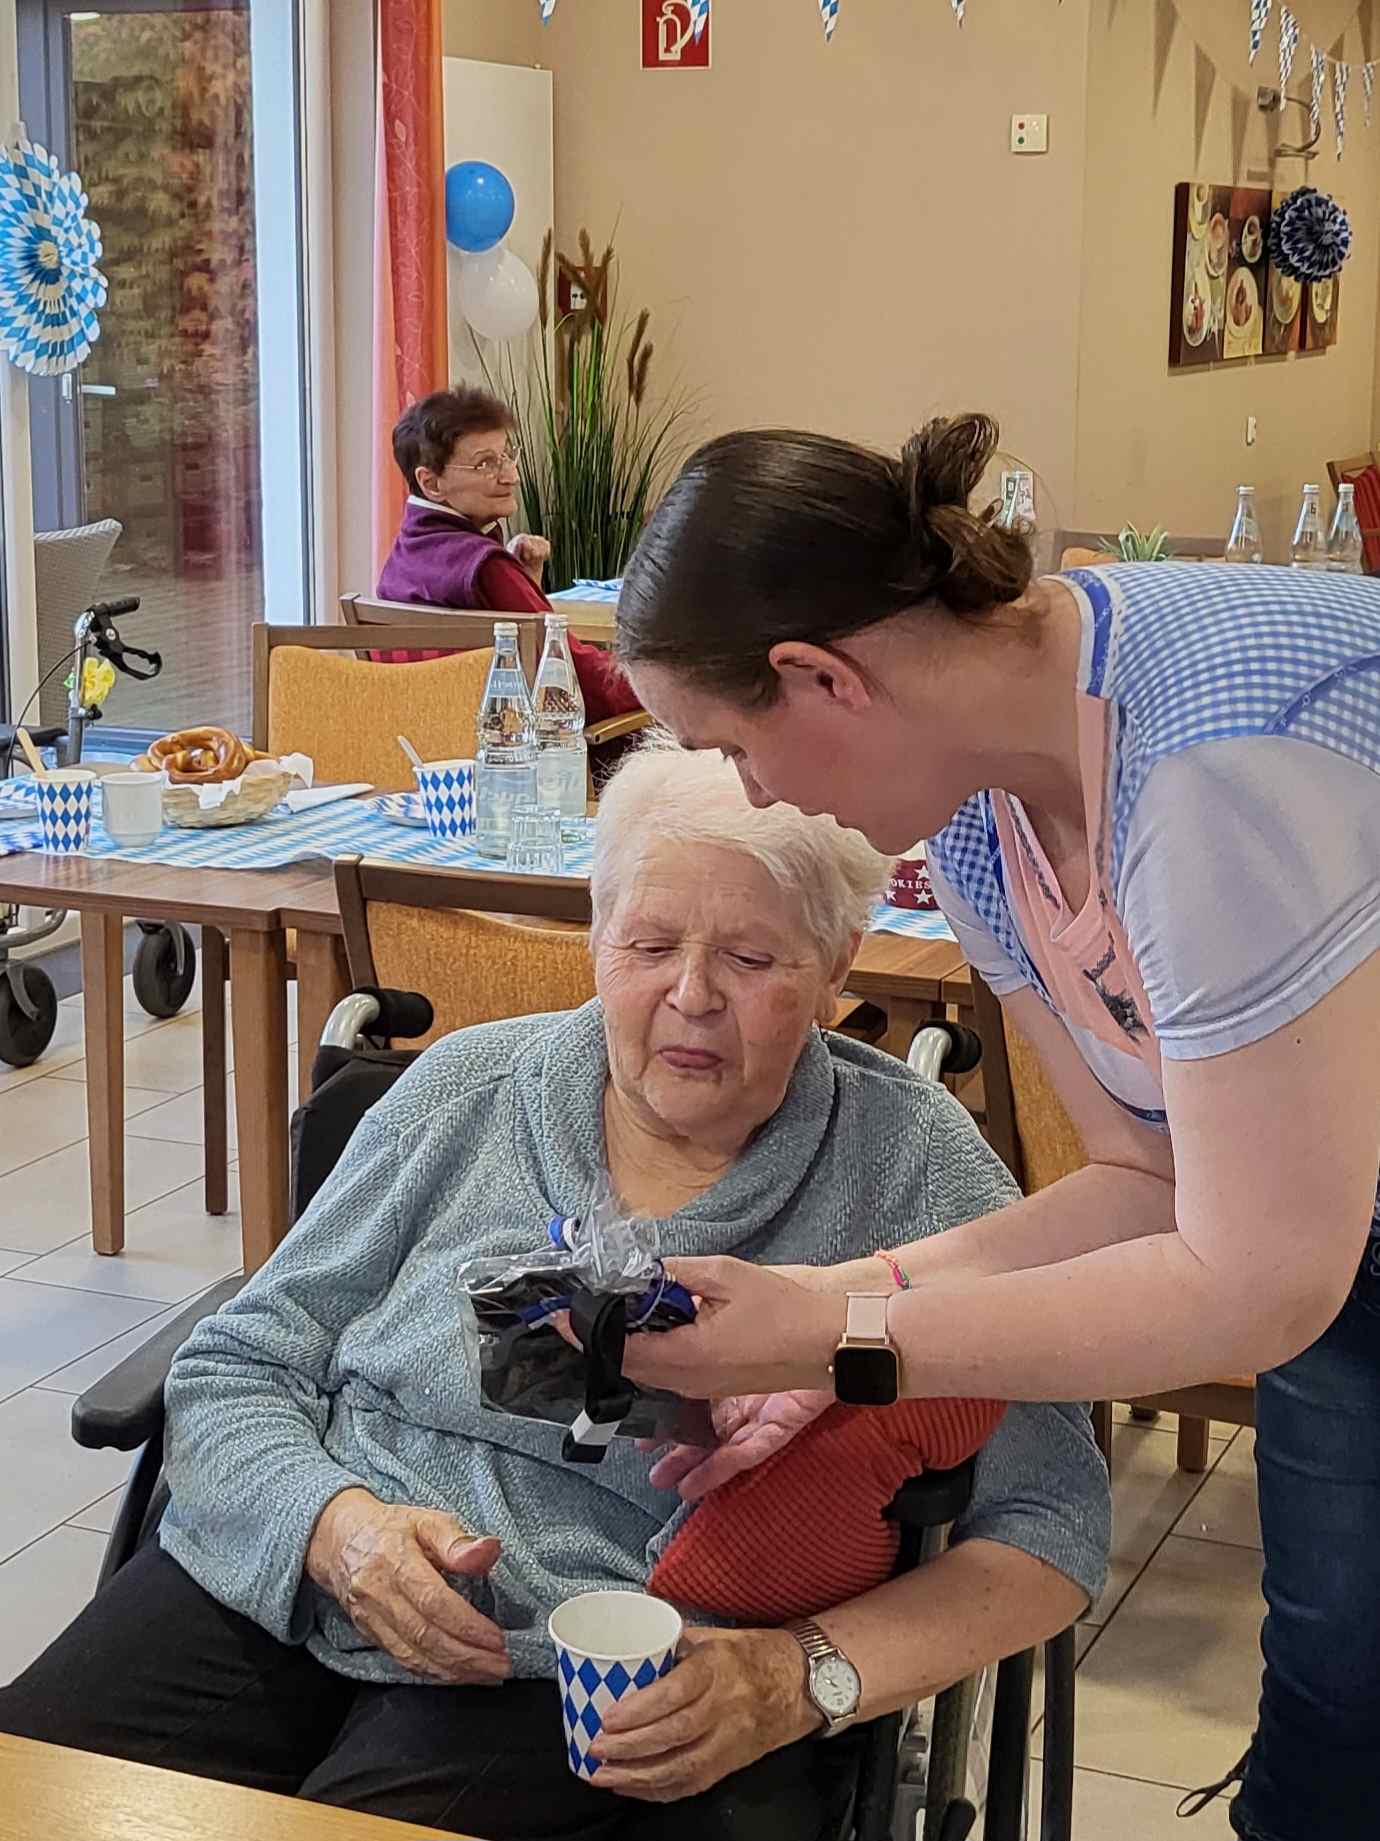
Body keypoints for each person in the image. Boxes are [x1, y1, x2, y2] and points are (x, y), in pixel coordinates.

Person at [0, 743, 1106, 1841]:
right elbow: (241, 1361)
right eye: (650, 941)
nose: (691, 995)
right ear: (595, 931)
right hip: (302, 1561)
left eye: (754, 957)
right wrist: (334, 1528)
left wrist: (799, 1672)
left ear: (838, 966)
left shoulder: (912, 1169)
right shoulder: (465, 1089)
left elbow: (1051, 1523)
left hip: (598, 1663)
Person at [608, 414, 1380, 1841]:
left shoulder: (1211, 768)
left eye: (733, 749)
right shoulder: (978, 812)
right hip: (1333, 1220)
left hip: (1319, 1233)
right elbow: (1151, 1180)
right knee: (1340, 1708)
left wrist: (834, 1344)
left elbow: (1260, 1279)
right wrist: (829, 1305)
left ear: (819, 676)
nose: (759, 797)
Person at [376, 383, 641, 729]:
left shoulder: (400, 562)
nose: (511, 476)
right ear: (431, 484)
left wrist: (526, 582)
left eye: (506, 456)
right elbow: (579, 683)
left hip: (436, 757)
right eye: (485, 463)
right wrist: (663, 683)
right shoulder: (485, 567)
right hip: (533, 759)